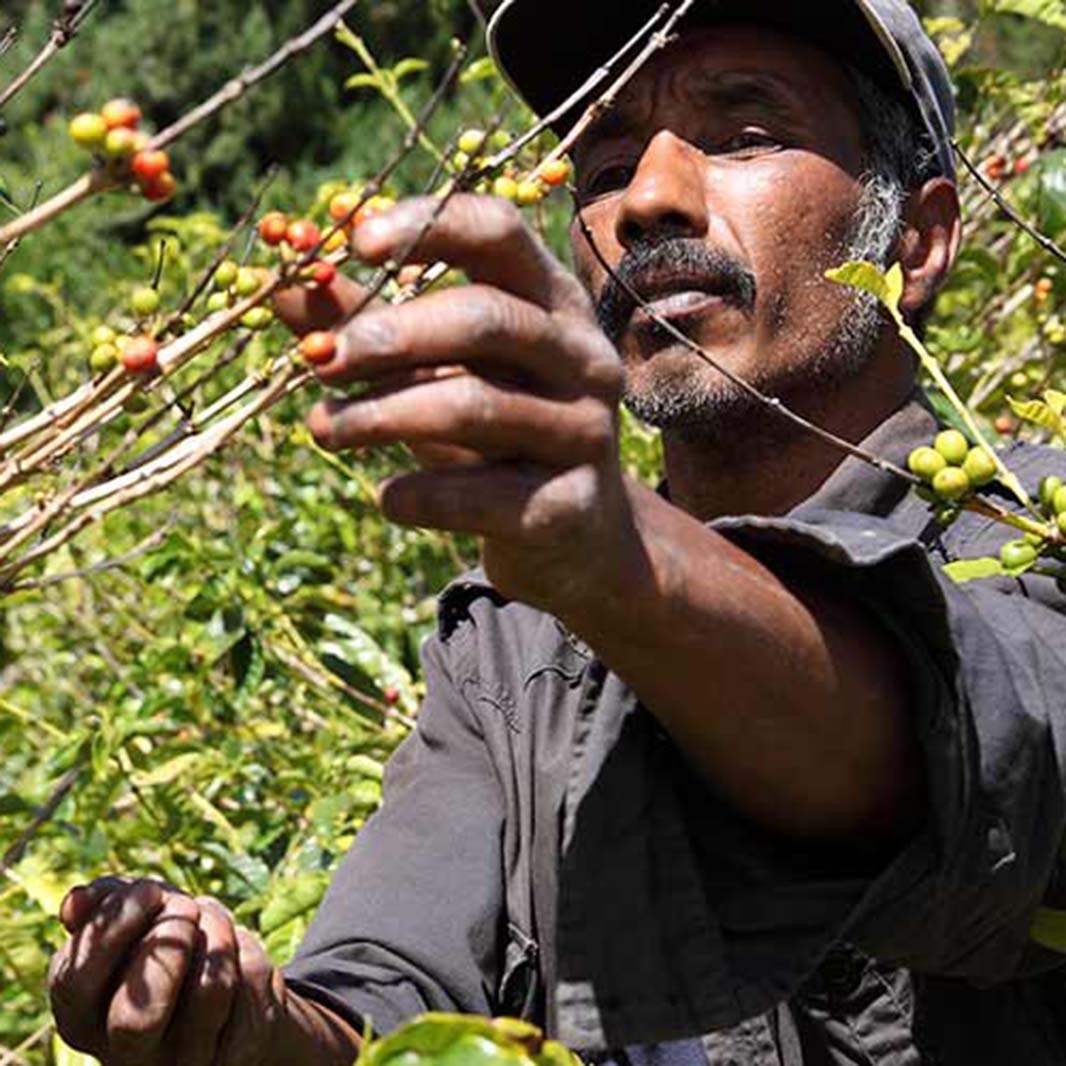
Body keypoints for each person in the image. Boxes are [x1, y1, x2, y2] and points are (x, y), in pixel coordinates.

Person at [47, 1, 1066, 1063]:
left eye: (744, 133)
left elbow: (969, 753)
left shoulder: (1035, 538)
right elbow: (382, 1008)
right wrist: (234, 1021)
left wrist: (621, 564)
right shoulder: (517, 651)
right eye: (605, 163)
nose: (649, 200)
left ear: (914, 238)